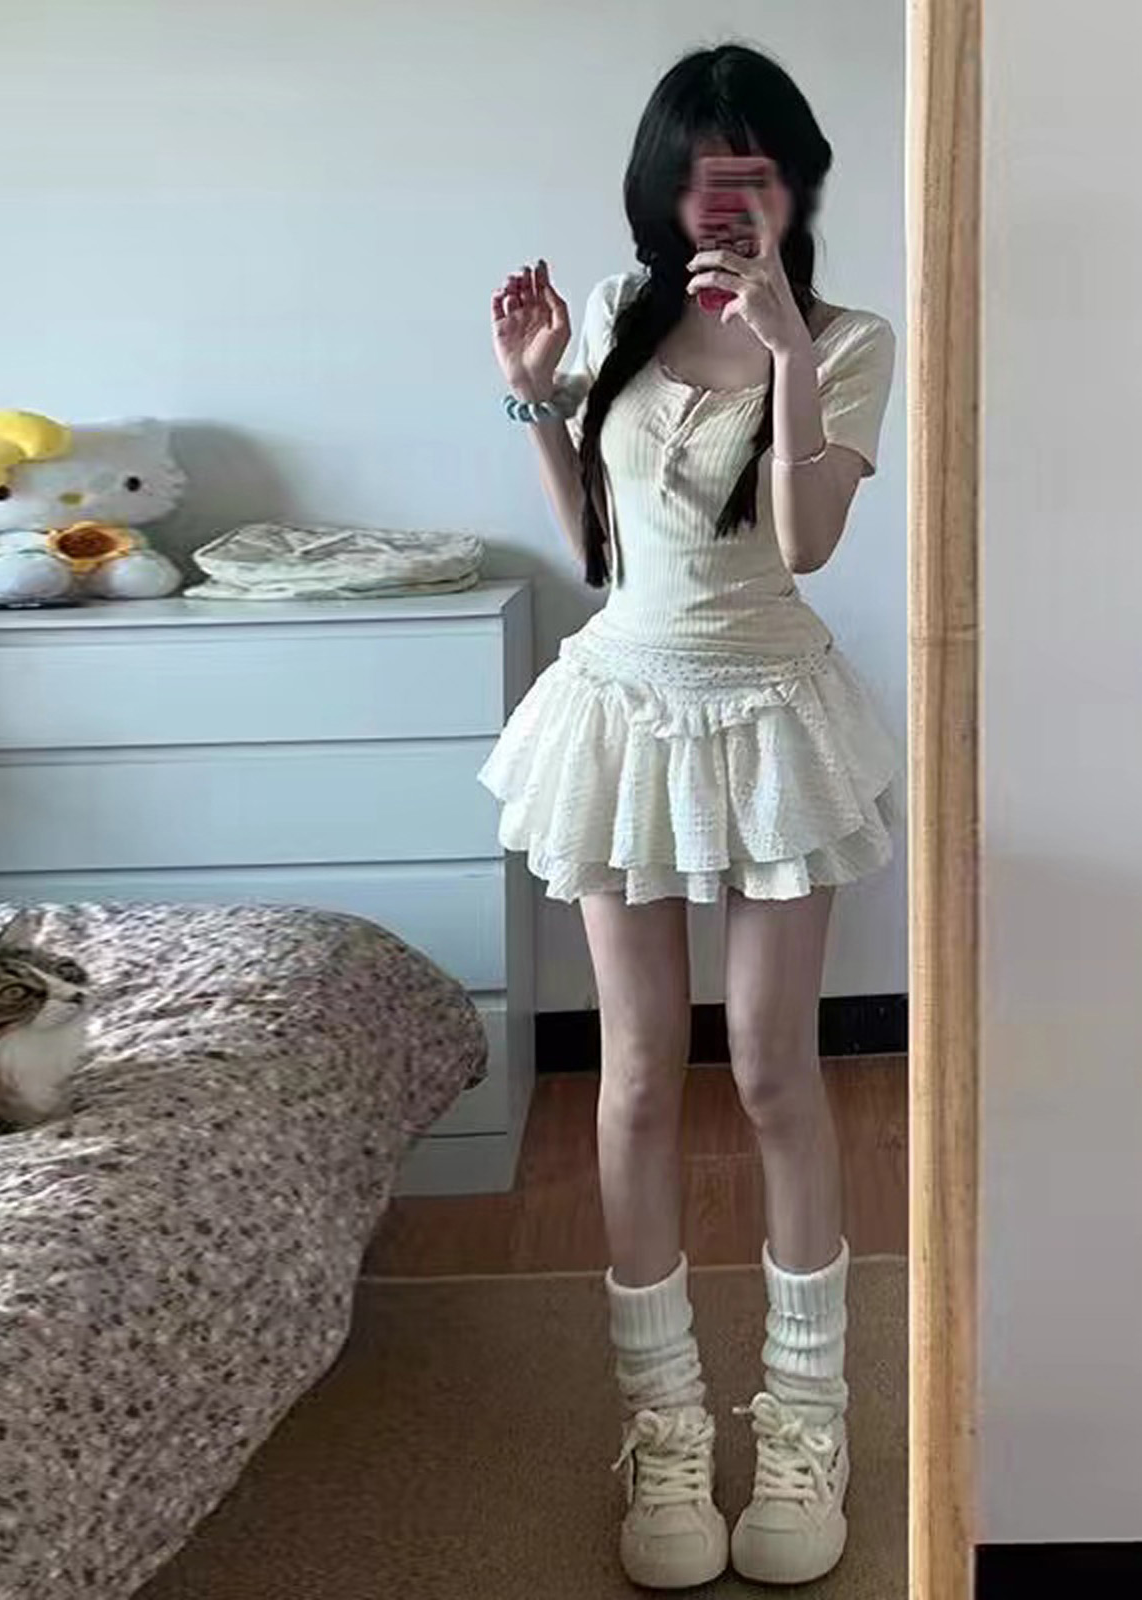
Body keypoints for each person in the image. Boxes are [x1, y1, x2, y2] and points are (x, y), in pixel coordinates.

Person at [481, 42, 897, 1591]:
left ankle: (805, 1416)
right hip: (624, 713)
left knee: (777, 1072)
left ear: (794, 185)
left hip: (773, 713)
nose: (722, 205)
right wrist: (534, 396)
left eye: (752, 176)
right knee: (642, 1072)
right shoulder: (616, 311)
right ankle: (662, 1427)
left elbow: (806, 541)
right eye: (698, 177)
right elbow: (600, 548)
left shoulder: (849, 339)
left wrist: (785, 352)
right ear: (662, 189)